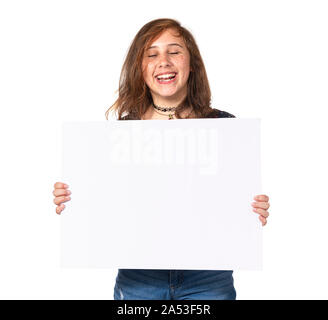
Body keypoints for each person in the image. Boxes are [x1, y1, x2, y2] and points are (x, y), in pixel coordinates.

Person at [53, 18, 270, 300]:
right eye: (152, 54)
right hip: (138, 278)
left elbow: (234, 202)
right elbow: (108, 200)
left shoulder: (225, 127)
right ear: (140, 69)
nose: (164, 61)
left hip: (209, 278)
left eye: (175, 51)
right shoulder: (120, 135)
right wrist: (74, 200)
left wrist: (253, 210)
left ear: (191, 64)